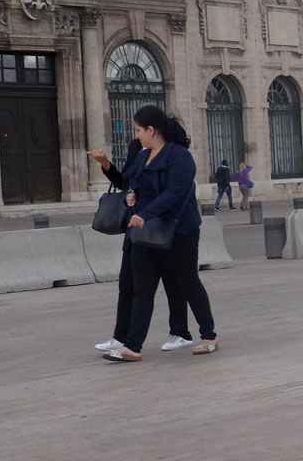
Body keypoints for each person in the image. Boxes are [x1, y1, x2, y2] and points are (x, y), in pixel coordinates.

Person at [104, 106, 218, 361]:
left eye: (139, 130)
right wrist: (132, 198)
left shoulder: (180, 157)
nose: (137, 136)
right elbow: (130, 184)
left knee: (188, 282)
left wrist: (145, 213)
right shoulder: (143, 157)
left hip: (179, 231)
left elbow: (174, 193)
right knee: (142, 288)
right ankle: (133, 347)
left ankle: (209, 335)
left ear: (151, 130)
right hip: (145, 234)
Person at [87, 142, 195, 355]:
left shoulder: (171, 157)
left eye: (140, 129)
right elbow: (126, 182)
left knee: (173, 283)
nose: (137, 134)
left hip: (161, 228)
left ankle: (180, 332)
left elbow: (169, 192)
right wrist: (106, 164)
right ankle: (122, 337)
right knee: (128, 284)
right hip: (136, 230)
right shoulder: (138, 150)